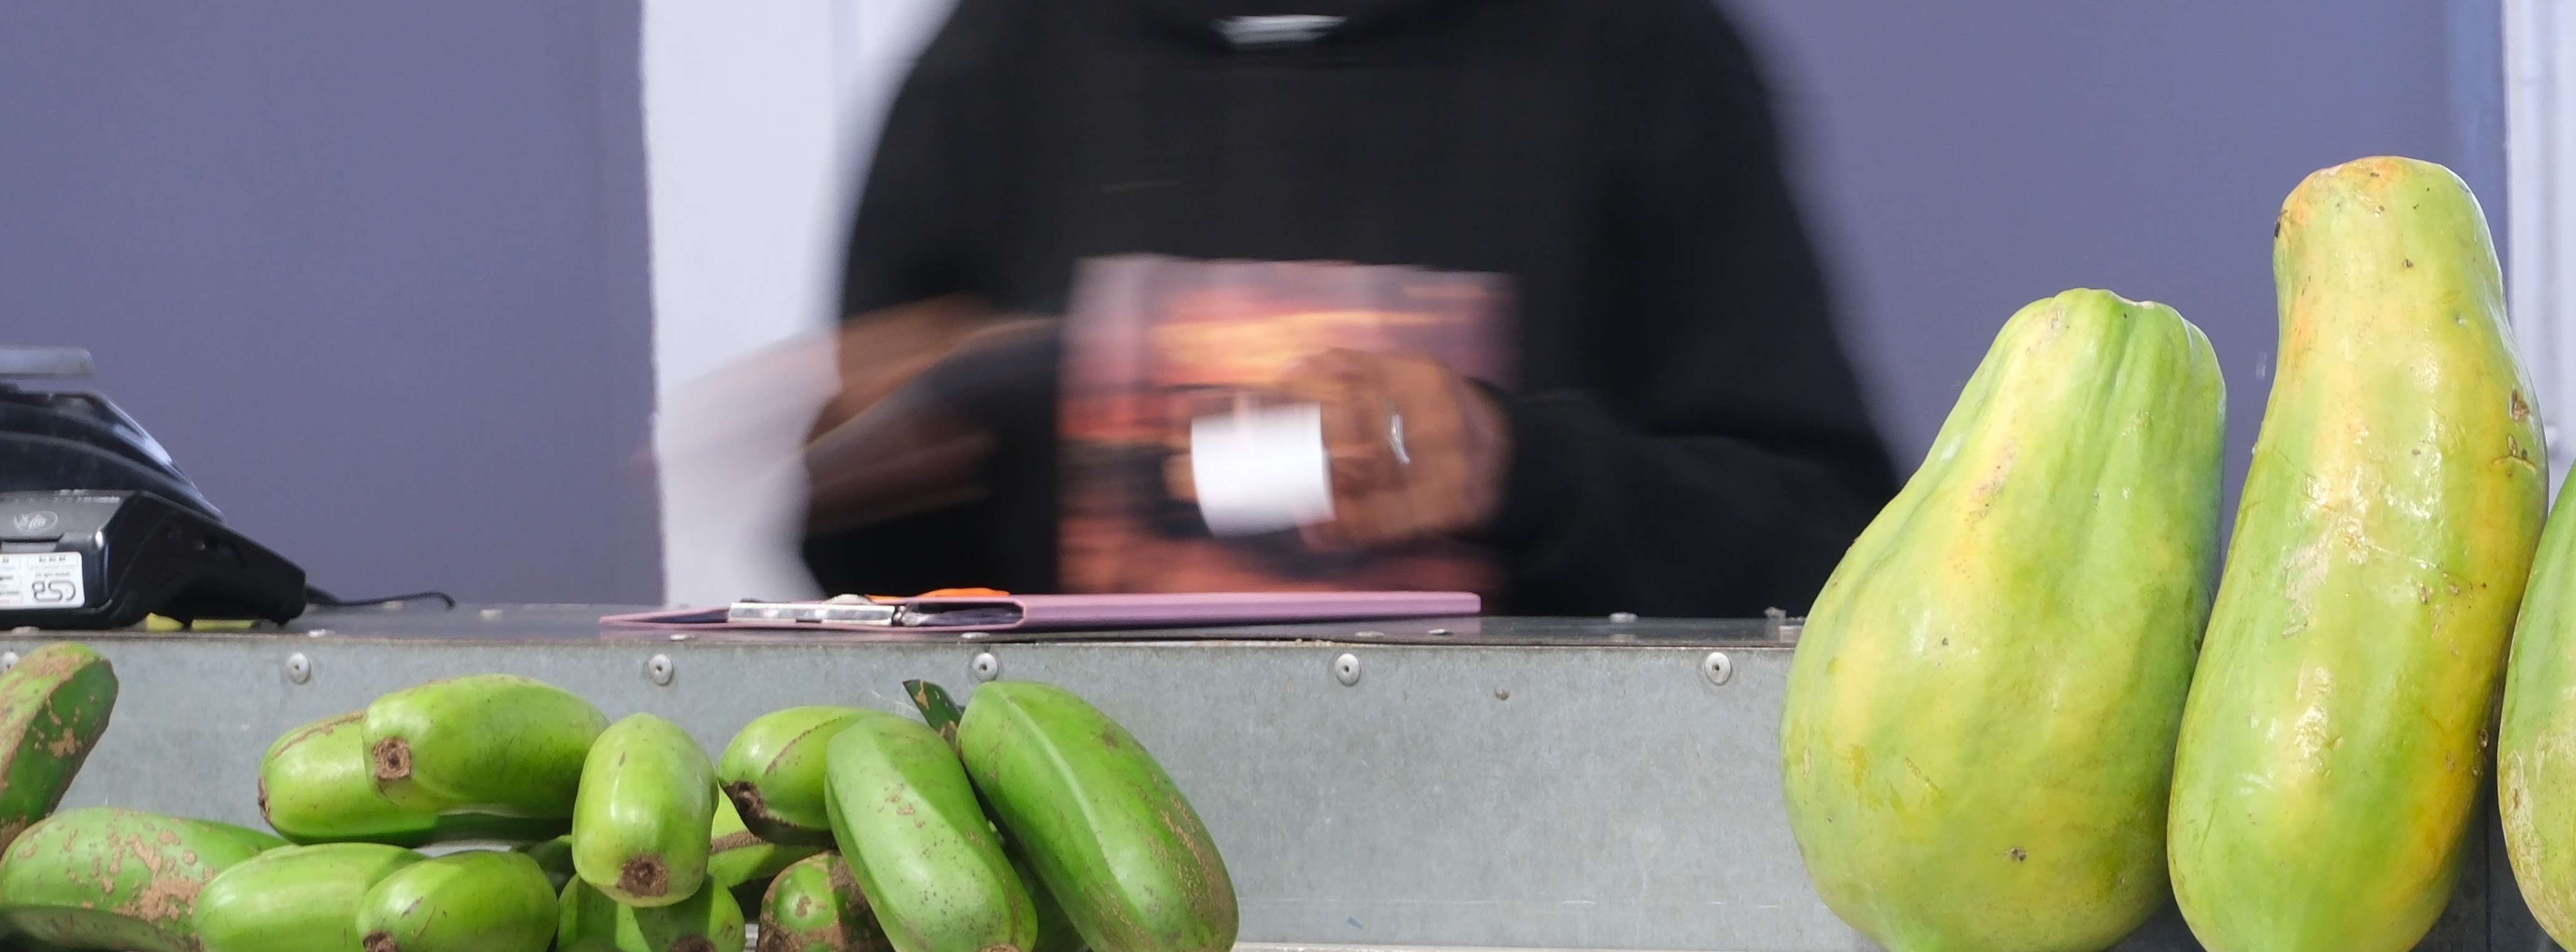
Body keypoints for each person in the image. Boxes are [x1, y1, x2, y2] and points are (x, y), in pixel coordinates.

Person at [803, 0, 1897, 617]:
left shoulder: (1642, 60)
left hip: (1544, 918)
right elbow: (878, 591)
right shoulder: (994, 70)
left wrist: (1516, 465)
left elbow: (1831, 545)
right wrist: (871, 472)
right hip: (1072, 937)